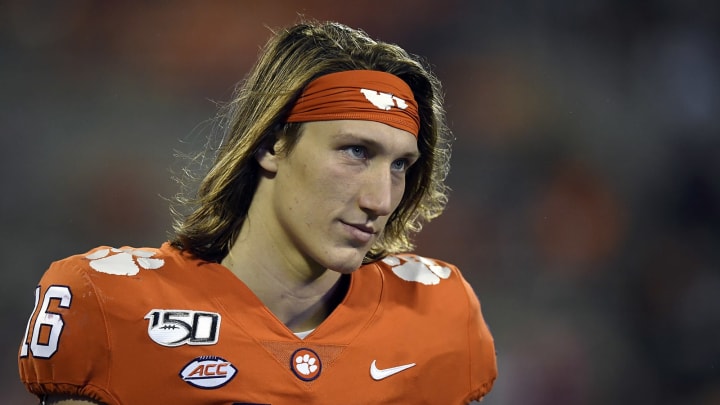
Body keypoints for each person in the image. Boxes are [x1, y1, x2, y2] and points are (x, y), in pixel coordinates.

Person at [18, 20, 497, 404]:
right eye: (355, 151)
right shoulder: (108, 304)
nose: (380, 199)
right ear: (271, 143)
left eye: (399, 165)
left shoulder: (439, 312)